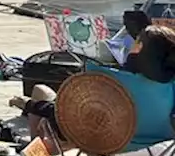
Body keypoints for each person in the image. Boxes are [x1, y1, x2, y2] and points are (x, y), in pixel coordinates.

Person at [9, 24, 175, 143]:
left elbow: (75, 115)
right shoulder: (169, 86)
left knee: (40, 91)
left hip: (116, 149)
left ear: (139, 48)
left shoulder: (112, 79)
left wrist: (30, 105)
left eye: (134, 42)